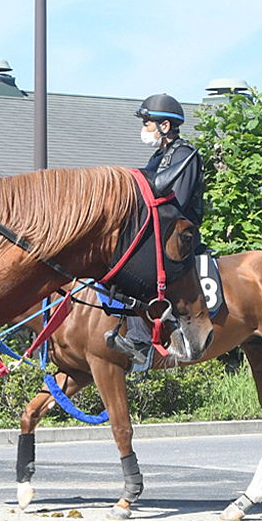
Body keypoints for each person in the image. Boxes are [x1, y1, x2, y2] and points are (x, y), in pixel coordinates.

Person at [106, 93, 206, 364]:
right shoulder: (159, 155)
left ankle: (143, 342)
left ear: (164, 127)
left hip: (178, 236)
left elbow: (178, 203)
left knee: (141, 271)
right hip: (161, 231)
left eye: (148, 123)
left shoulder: (184, 155)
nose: (144, 129)